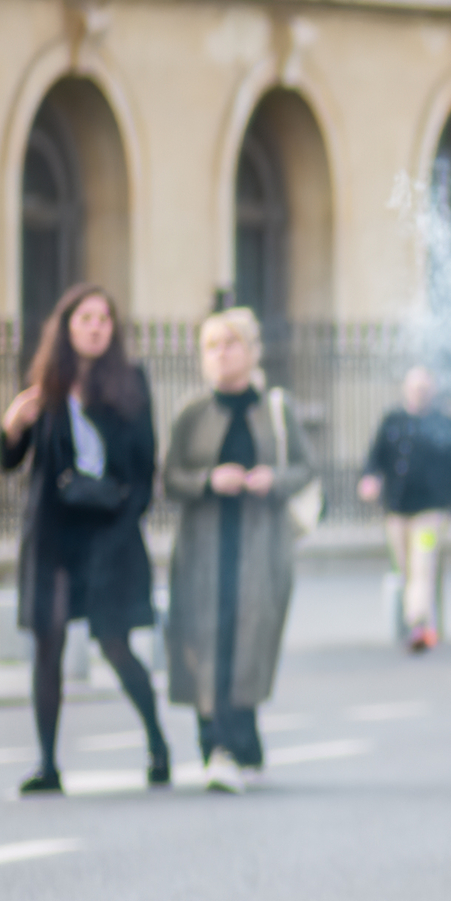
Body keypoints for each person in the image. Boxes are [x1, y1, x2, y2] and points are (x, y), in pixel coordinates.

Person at [0, 285, 166, 793]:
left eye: (104, 319)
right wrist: (10, 429)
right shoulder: (47, 384)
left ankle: (158, 743)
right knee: (47, 644)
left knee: (114, 643)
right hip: (53, 534)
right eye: (85, 318)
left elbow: (144, 469)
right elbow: (12, 461)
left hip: (108, 535)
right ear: (67, 327)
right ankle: (48, 763)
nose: (95, 327)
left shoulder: (132, 383)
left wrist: (124, 517)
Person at [160, 307, 316, 790]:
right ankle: (217, 745)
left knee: (250, 640)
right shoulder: (192, 411)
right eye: (211, 346)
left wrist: (273, 479)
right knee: (205, 641)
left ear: (252, 352)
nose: (220, 355)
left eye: (230, 344)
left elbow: (306, 468)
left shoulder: (275, 409)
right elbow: (168, 478)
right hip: (205, 547)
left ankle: (243, 735)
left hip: (260, 548)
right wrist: (209, 480)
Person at [359, 366, 451, 650]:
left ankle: (418, 625)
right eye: (414, 388)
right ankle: (424, 622)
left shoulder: (442, 423)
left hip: (430, 513)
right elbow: (375, 456)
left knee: (423, 564)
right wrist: (369, 479)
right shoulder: (392, 421)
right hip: (397, 511)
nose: (419, 393)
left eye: (424, 388)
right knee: (406, 569)